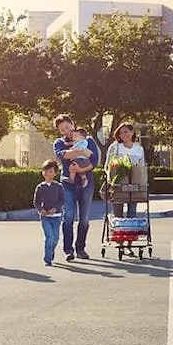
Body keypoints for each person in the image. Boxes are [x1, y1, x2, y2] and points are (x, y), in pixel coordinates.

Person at [52, 114, 100, 261]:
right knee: (68, 217)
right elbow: (64, 155)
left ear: (72, 124)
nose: (66, 131)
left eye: (67, 127)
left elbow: (94, 160)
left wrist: (79, 170)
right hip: (68, 184)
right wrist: (82, 151)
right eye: (62, 130)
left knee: (84, 218)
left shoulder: (89, 139)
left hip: (86, 184)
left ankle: (81, 248)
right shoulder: (58, 142)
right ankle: (68, 250)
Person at [105, 122, 146, 257]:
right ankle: (120, 241)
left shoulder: (138, 149)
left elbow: (141, 167)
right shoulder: (115, 147)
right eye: (121, 133)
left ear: (132, 132)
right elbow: (108, 166)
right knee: (118, 214)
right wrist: (112, 180)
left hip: (134, 186)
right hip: (118, 185)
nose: (124, 135)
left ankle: (129, 244)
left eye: (126, 132)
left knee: (132, 214)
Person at [34, 159, 65, 266]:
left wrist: (55, 208)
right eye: (46, 171)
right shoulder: (40, 187)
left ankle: (51, 251)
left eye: (51, 171)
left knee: (55, 238)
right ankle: (47, 259)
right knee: (49, 237)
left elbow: (62, 200)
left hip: (56, 217)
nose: (48, 173)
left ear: (55, 173)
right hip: (45, 217)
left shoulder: (59, 186)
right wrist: (40, 210)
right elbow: (36, 202)